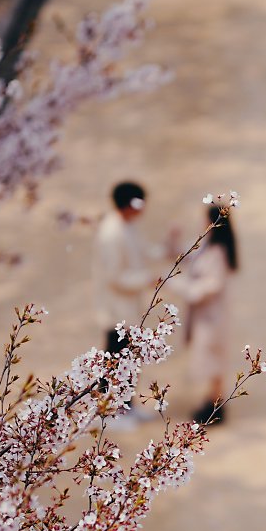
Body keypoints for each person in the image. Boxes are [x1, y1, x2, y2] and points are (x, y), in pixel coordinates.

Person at [93, 181, 175, 423]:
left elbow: (145, 251)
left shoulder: (128, 226)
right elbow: (114, 277)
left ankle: (127, 404)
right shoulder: (111, 233)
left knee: (129, 358)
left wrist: (166, 248)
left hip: (129, 306)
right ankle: (109, 411)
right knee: (115, 359)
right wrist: (147, 279)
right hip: (115, 307)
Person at [180, 204, 238, 424]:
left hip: (213, 317)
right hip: (205, 315)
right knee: (211, 359)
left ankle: (215, 404)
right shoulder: (207, 246)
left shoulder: (218, 252)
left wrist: (184, 288)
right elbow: (186, 255)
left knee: (213, 360)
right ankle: (214, 401)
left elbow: (211, 286)